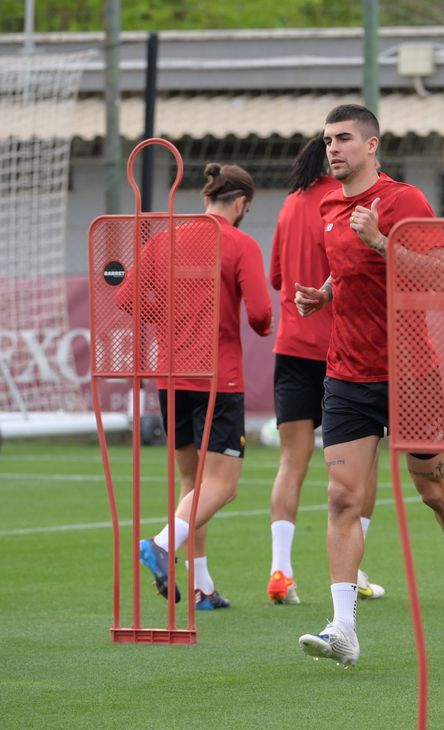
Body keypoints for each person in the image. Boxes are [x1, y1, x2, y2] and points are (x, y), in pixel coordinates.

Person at [293, 104, 444, 668]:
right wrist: (326, 294)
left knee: (434, 493)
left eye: (345, 138)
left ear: (372, 145)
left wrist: (382, 241)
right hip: (346, 374)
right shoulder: (328, 203)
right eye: (328, 139)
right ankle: (342, 627)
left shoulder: (405, 202)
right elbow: (347, 268)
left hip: (412, 376)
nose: (333, 148)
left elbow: (442, 275)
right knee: (340, 498)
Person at [135, 163, 273, 609]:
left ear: (205, 198)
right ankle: (159, 544)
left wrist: (169, 322)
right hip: (218, 376)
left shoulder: (163, 240)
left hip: (171, 376)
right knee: (224, 486)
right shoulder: (239, 243)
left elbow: (126, 297)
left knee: (193, 483)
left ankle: (201, 585)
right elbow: (259, 313)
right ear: (241, 204)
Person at [265, 136, 384, 606]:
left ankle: (281, 568)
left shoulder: (290, 204)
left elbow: (277, 276)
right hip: (342, 350)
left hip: (291, 344)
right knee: (365, 461)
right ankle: (354, 572)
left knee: (291, 462)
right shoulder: (340, 204)